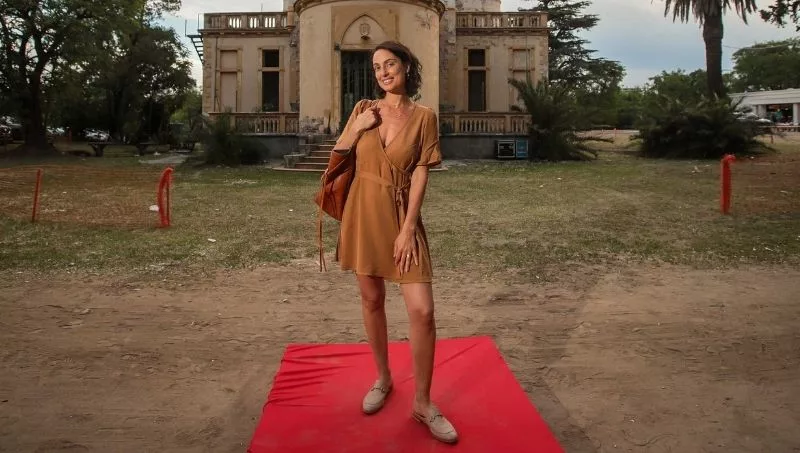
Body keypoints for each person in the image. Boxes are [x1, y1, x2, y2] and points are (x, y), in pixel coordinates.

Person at [330, 41, 457, 444]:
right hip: (362, 210)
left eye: (390, 64)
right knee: (371, 299)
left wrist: (408, 228)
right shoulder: (364, 109)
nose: (383, 72)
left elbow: (421, 172)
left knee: (423, 311)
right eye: (376, 67)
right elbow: (338, 154)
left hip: (402, 214)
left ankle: (423, 402)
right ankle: (383, 378)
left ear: (406, 67)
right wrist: (357, 127)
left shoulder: (424, 117)